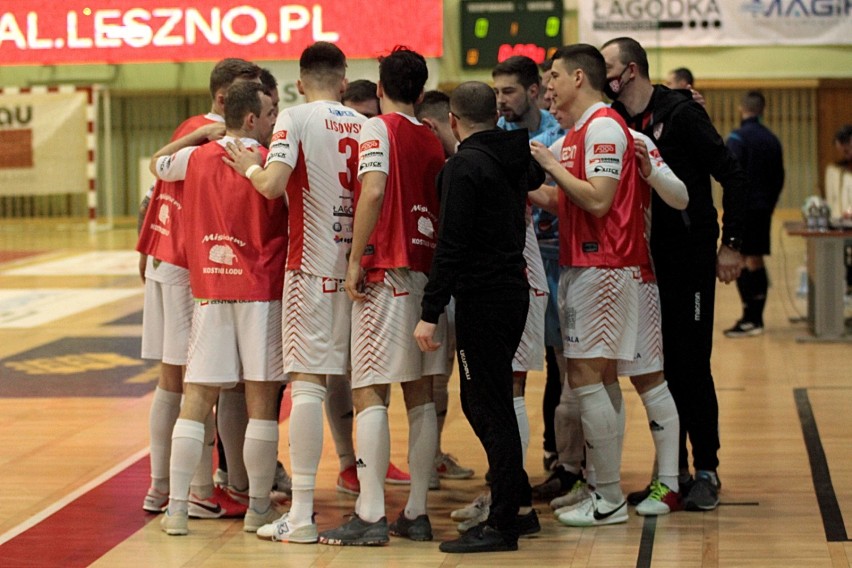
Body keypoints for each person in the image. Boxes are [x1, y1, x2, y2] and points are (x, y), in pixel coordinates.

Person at [222, 41, 366, 544]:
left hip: (310, 266)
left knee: (307, 385)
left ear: (300, 82)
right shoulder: (365, 124)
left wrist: (247, 169)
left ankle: (301, 513)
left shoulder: (297, 119)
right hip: (360, 268)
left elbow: (272, 183)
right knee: (365, 389)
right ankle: (369, 506)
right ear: (344, 80)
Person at [601, 36, 748, 511]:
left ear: (633, 70)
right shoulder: (619, 122)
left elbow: (734, 176)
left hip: (689, 256)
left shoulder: (682, 114)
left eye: (609, 67)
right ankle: (672, 472)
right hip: (643, 262)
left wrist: (731, 245)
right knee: (657, 370)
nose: (604, 77)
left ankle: (706, 469)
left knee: (690, 364)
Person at [317, 46, 447, 547]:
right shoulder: (433, 137)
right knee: (420, 397)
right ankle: (415, 511)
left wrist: (354, 258)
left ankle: (370, 512)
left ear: (379, 84)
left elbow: (372, 192)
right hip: (427, 277)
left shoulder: (378, 129)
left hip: (387, 271)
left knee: (369, 390)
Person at [414, 81, 544, 553]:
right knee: (492, 402)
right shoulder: (515, 155)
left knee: (486, 406)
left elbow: (451, 245)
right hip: (512, 292)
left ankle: (504, 522)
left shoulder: (464, 166)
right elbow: (532, 178)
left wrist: (430, 312)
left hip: (484, 298)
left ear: (452, 121)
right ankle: (518, 507)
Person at [152, 81, 286, 535]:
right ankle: (259, 510)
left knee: (197, 399)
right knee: (261, 402)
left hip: (209, 291)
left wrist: (198, 136)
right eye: (270, 113)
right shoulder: (271, 162)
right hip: (261, 293)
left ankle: (175, 509)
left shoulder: (192, 159)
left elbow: (158, 163)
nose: (274, 121)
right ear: (252, 119)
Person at [528, 43, 649, 527]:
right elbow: (564, 201)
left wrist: (552, 169)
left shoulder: (601, 126)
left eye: (554, 76)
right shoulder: (578, 132)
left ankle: (610, 496)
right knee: (595, 380)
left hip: (606, 266)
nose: (549, 86)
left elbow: (598, 201)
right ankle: (602, 488)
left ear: (579, 77)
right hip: (584, 266)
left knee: (586, 379)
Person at [137, 58, 260, 520]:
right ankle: (201, 490)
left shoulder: (189, 130)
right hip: (192, 263)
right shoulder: (220, 140)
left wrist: (142, 255)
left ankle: (162, 486)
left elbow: (153, 189)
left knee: (179, 378)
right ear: (228, 99)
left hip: (164, 258)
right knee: (201, 381)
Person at [413, 89, 477, 488]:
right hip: (434, 282)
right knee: (430, 378)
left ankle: (432, 458)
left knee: (441, 376)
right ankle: (426, 460)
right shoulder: (428, 161)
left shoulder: (462, 164)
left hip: (454, 283)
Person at [724, 91, 785, 338]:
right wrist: (769, 204)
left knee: (742, 260)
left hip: (744, 209)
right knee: (756, 259)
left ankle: (751, 318)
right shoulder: (772, 139)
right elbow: (779, 177)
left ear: (741, 108)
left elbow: (732, 177)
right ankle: (755, 317)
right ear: (763, 110)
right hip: (763, 208)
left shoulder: (737, 137)